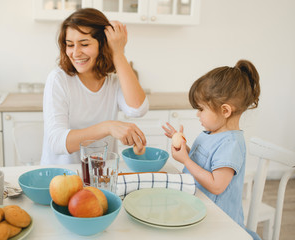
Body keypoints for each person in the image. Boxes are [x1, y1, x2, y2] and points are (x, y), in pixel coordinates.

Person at [163, 60, 261, 239]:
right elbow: (205, 161)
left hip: (219, 223)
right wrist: (185, 148)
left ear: (225, 111)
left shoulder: (231, 144)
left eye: (201, 109)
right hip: (198, 207)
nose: (197, 114)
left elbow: (216, 185)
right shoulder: (211, 133)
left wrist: (185, 160)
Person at [41, 8, 149, 165]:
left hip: (101, 175)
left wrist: (118, 52)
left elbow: (138, 109)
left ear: (102, 45)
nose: (76, 53)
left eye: (84, 44)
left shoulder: (113, 81)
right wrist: (107, 127)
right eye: (70, 45)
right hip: (62, 177)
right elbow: (56, 142)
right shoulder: (59, 79)